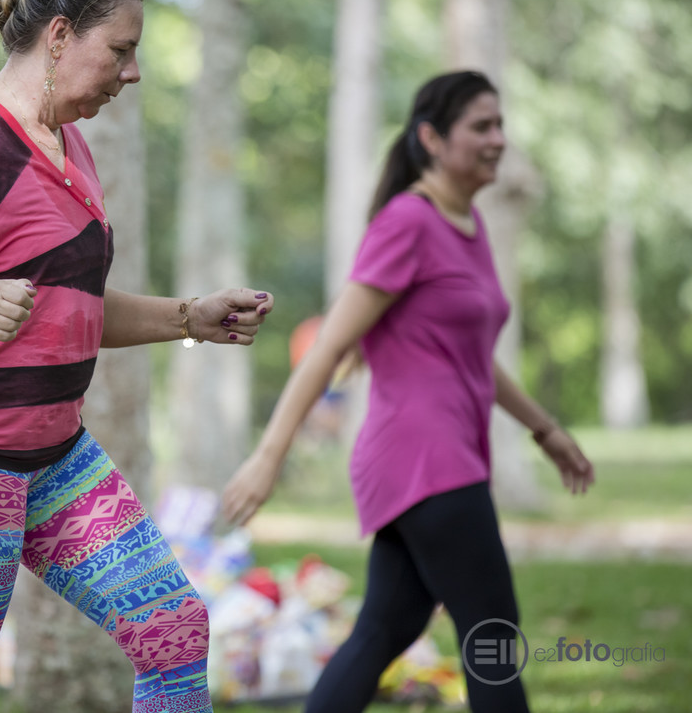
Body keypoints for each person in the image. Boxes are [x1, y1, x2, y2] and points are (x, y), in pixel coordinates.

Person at [0, 0, 273, 713]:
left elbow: (70, 306)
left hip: (54, 455)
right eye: (119, 49)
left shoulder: (67, 141)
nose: (132, 71)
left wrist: (190, 316)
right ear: (58, 37)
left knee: (174, 627)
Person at [222, 70, 596, 713]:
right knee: (492, 636)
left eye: (500, 125)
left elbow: (473, 359)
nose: (498, 140)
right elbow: (329, 346)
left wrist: (546, 429)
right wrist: (269, 455)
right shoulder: (408, 222)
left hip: (436, 460)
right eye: (481, 126)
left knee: (384, 628)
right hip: (426, 460)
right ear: (432, 138)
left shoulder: (467, 225)